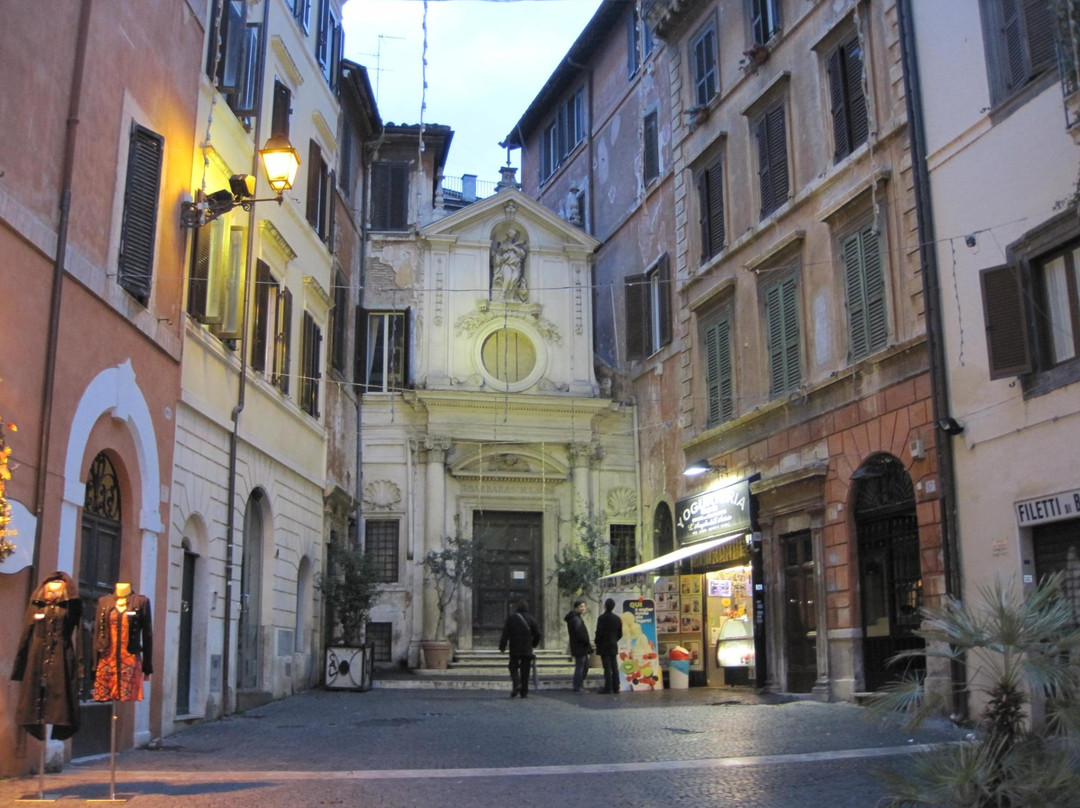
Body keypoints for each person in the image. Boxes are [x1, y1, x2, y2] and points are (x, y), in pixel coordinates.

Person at [499, 598, 541, 698]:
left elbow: (505, 633)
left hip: (515, 648)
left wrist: (502, 647)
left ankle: (516, 684)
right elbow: (538, 634)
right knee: (525, 670)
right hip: (527, 648)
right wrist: (534, 644)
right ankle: (524, 691)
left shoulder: (511, 618)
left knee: (512, 667)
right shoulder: (531, 619)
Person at [594, 597, 623, 694]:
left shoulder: (601, 618)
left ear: (605, 606)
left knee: (607, 667)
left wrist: (597, 641)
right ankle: (616, 686)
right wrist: (614, 639)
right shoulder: (617, 619)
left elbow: (599, 632)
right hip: (613, 644)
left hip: (604, 645)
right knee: (614, 665)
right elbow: (620, 634)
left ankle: (608, 687)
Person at [564, 598, 593, 693]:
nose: (583, 608)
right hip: (580, 646)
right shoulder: (575, 619)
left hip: (579, 646)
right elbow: (580, 633)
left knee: (583, 666)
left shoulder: (576, 618)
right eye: (581, 606)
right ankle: (578, 686)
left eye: (584, 606)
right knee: (581, 667)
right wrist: (587, 642)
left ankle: (578, 685)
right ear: (575, 608)